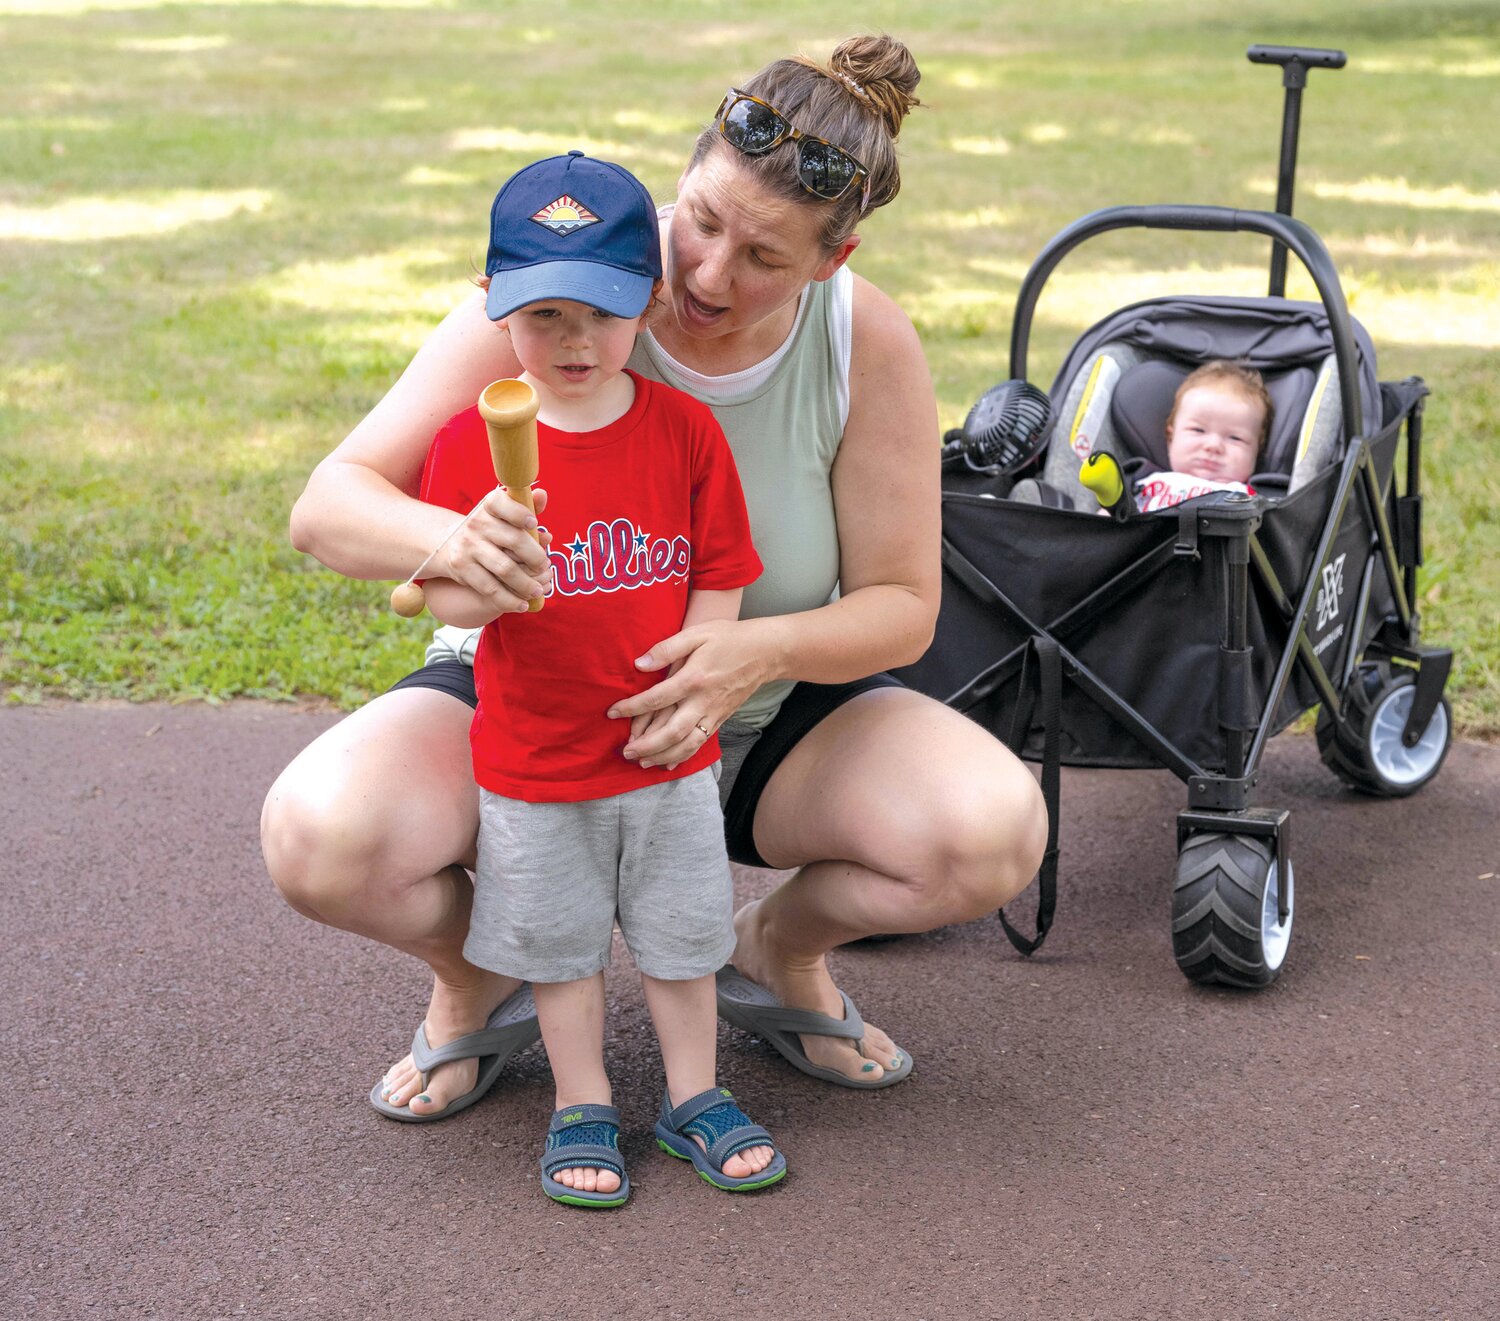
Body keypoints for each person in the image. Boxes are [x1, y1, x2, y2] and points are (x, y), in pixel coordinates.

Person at [262, 35, 1048, 1128]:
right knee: (319, 835)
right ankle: (476, 973)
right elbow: (328, 504)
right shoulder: (563, 300)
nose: (711, 275)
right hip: (529, 716)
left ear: (834, 257)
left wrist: (753, 653)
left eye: (767, 257)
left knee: (991, 830)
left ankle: (773, 947)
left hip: (763, 724)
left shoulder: (863, 340)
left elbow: (904, 608)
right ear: (682, 182)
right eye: (704, 222)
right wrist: (445, 542)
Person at [408, 152, 781, 1205]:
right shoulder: (468, 445)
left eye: (604, 314)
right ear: (495, 308)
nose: (575, 342)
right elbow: (445, 605)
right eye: (545, 315)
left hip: (666, 754)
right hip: (535, 761)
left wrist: (694, 677)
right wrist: (481, 577)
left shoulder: (683, 431)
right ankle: (581, 1099)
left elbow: (722, 572)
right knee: (561, 951)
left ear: (651, 305)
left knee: (681, 941)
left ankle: (694, 1095)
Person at [1132, 360, 1272, 513]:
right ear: (1171, 437)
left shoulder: (1252, 501)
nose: (1213, 446)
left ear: (1257, 451)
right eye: (1198, 430)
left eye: (1235, 438)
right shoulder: (1147, 484)